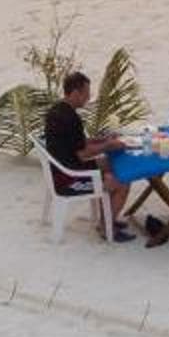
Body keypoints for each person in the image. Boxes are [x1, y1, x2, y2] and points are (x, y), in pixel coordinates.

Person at [42, 71, 134, 243]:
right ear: (75, 93)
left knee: (112, 163)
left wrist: (102, 140)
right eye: (86, 93)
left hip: (63, 167)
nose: (88, 98)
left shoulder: (58, 110)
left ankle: (108, 217)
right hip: (68, 178)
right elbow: (83, 153)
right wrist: (108, 146)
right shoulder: (70, 118)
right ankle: (106, 227)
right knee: (123, 180)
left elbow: (77, 143)